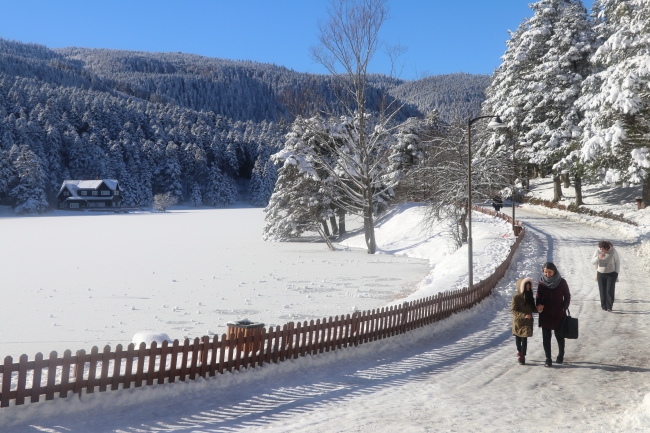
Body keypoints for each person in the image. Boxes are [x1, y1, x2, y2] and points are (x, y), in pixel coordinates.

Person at [536, 262, 571, 367]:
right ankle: (548, 359)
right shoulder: (541, 284)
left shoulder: (562, 282)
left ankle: (560, 355)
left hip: (559, 314)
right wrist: (538, 305)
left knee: (559, 336)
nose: (547, 274)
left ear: (554, 271)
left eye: (549, 272)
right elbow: (538, 297)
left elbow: (567, 296)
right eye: (545, 272)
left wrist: (564, 307)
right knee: (546, 338)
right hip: (545, 314)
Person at [510, 277, 536, 365]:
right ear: (522, 286)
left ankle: (522, 356)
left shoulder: (530, 296)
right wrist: (523, 315)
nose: (528, 287)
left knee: (524, 338)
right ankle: (519, 351)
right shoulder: (516, 297)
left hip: (527, 322)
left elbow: (533, 308)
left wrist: (539, 309)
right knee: (518, 339)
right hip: (518, 322)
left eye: (529, 285)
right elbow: (513, 310)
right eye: (526, 285)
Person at [591, 240, 620, 312]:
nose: (602, 250)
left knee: (610, 290)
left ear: (607, 248)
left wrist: (616, 273)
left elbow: (617, 262)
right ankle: (603, 306)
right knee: (602, 290)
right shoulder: (598, 252)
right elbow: (592, 262)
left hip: (611, 273)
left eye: (603, 249)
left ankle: (609, 306)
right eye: (600, 249)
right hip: (601, 273)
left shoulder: (613, 251)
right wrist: (598, 257)